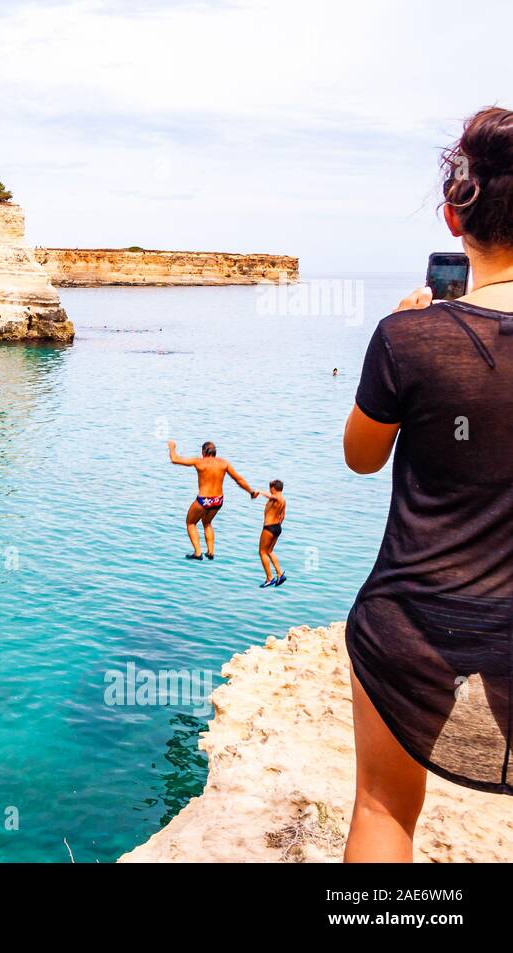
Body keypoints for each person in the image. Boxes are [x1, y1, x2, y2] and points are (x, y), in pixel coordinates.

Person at [342, 107, 513, 863]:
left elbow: (360, 455)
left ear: (454, 215)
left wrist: (408, 335)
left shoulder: (408, 336)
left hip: (410, 616)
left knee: (383, 807)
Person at [167, 440, 259, 560]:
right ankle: (210, 551)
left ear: (203, 452)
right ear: (215, 452)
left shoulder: (199, 461)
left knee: (190, 523)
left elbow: (174, 459)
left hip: (204, 500)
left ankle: (198, 552)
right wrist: (251, 492)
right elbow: (239, 480)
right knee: (207, 523)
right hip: (218, 500)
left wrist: (172, 447)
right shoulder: (224, 463)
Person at [255, 480, 287, 588]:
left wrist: (259, 491)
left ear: (273, 488)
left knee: (262, 552)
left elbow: (272, 497)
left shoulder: (277, 497)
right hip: (277, 527)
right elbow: (282, 516)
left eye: (270, 488)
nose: (269, 490)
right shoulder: (283, 500)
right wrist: (276, 526)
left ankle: (269, 578)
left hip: (269, 528)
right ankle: (280, 574)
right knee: (269, 551)